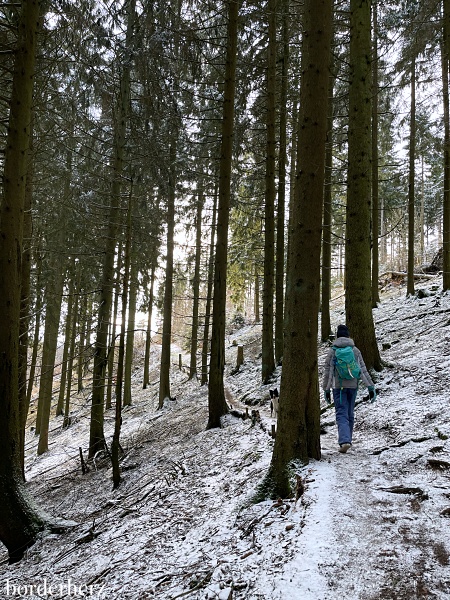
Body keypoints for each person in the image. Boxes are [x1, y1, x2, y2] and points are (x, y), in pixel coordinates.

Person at [322, 324, 376, 453]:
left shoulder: (333, 351)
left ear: (337, 336)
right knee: (350, 413)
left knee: (341, 413)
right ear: (348, 335)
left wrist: (326, 389)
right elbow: (362, 370)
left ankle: (345, 441)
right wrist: (370, 386)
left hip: (338, 387)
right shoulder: (355, 350)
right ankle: (348, 440)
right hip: (353, 386)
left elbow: (328, 372)